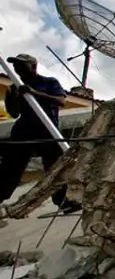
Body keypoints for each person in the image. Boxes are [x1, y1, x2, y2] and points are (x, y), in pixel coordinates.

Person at [0, 54, 80, 212]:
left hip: (47, 130)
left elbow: (60, 101)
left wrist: (34, 93)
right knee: (10, 168)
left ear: (33, 66)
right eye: (16, 66)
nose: (17, 68)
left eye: (22, 65)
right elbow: (14, 113)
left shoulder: (49, 82)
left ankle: (63, 201)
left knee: (55, 168)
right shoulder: (14, 87)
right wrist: (15, 97)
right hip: (23, 132)